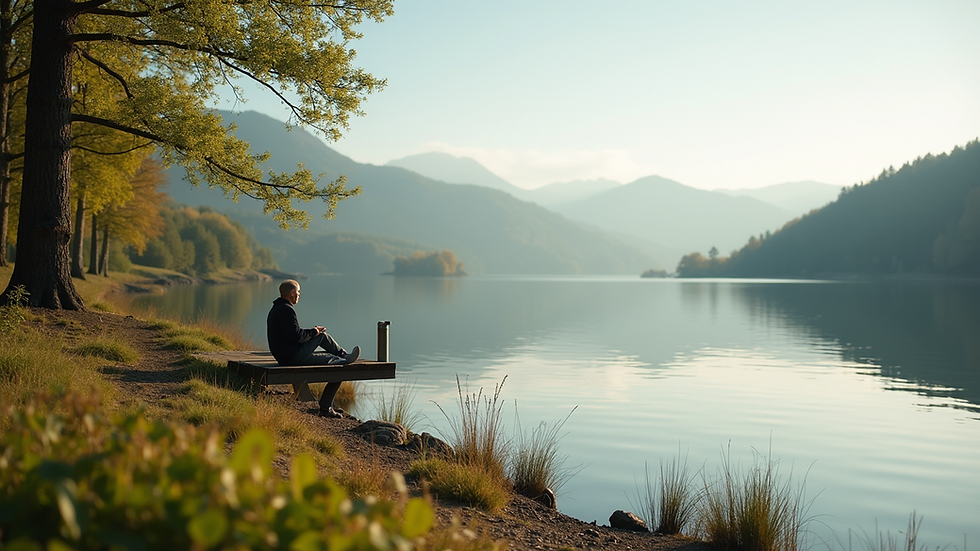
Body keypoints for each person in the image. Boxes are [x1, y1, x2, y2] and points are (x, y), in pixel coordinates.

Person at [267, 279, 360, 418]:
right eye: (298, 292)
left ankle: (342, 358)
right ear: (292, 293)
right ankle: (343, 355)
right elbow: (297, 337)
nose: (299, 295)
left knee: (332, 359)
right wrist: (314, 332)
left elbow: (292, 334)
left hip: (286, 356)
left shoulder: (277, 309)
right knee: (323, 339)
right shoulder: (287, 310)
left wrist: (310, 332)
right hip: (292, 357)